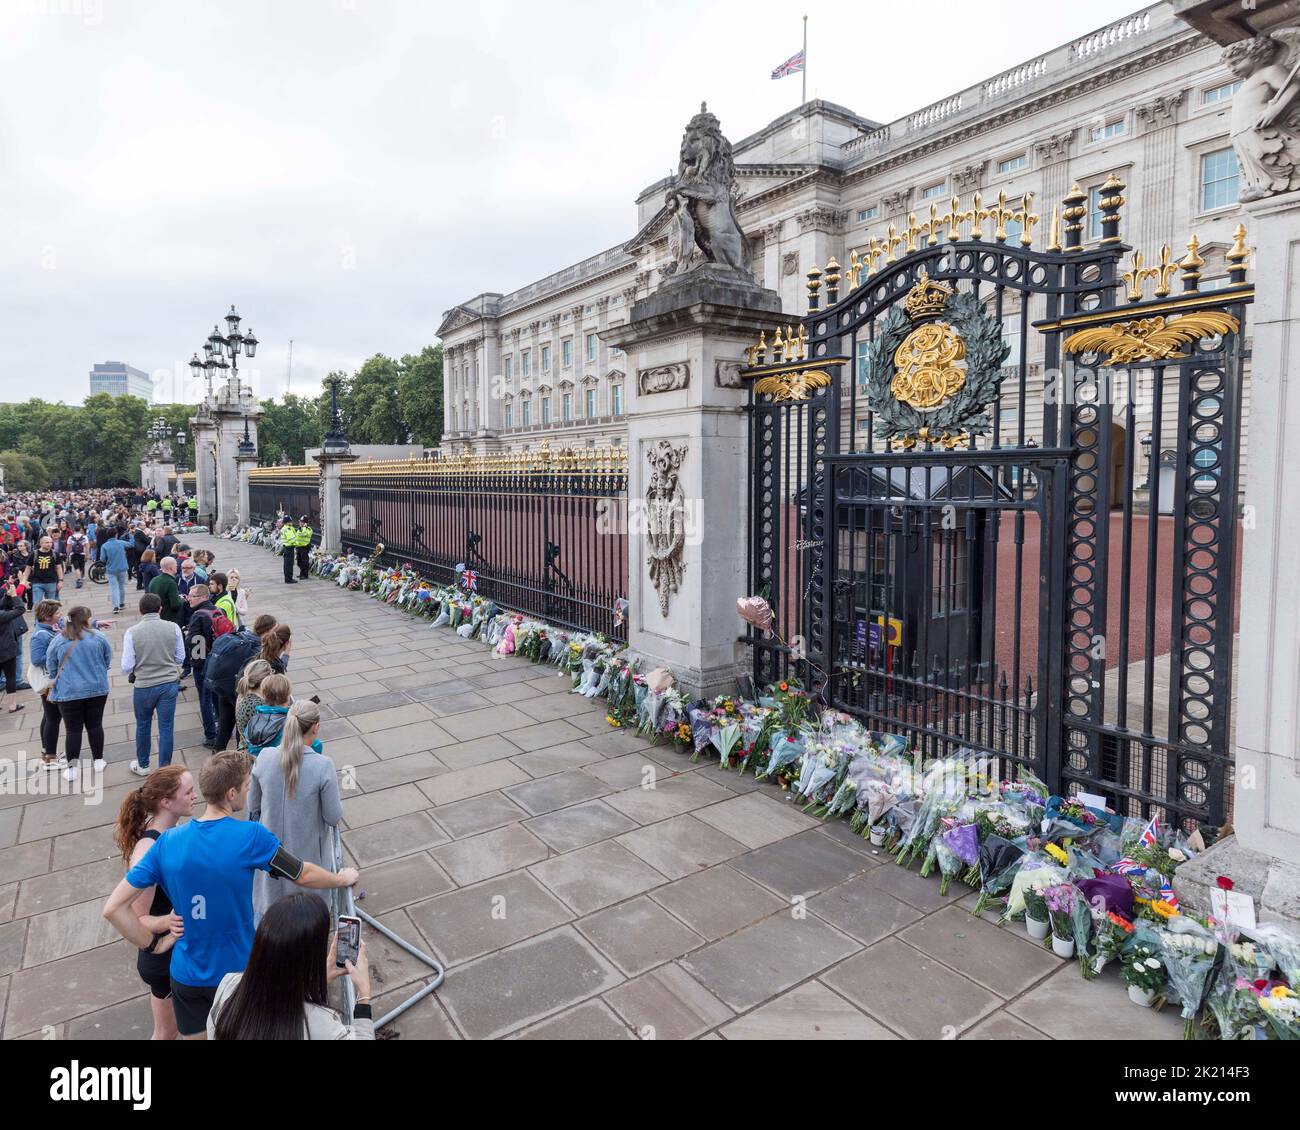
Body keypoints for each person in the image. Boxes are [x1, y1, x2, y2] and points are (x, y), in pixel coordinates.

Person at [100, 750, 360, 1041]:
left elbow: (113, 909)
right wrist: (340, 878)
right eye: (248, 787)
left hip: (187, 977)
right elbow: (302, 873)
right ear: (231, 792)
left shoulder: (166, 843)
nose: (249, 793)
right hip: (239, 976)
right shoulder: (250, 837)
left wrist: (154, 946)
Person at [208, 893, 373, 1040]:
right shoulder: (322, 1025)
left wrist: (317, 979)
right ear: (313, 955)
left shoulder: (227, 986)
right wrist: (363, 994)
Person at [113, 765, 193, 1040]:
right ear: (166, 802)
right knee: (166, 1034)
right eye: (188, 791)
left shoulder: (169, 830)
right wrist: (169, 924)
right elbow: (135, 916)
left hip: (176, 955)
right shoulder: (148, 850)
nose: (195, 796)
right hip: (163, 960)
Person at [249, 700, 340, 921]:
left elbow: (253, 807)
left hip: (270, 866)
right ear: (315, 727)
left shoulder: (265, 758)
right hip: (307, 869)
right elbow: (333, 816)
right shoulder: (322, 765)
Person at [45, 606, 113, 780]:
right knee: (95, 726)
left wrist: (54, 676)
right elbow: (107, 658)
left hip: (69, 692)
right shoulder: (98, 637)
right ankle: (98, 761)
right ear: (85, 620)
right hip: (97, 689)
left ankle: (72, 769)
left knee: (73, 730)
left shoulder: (59, 640)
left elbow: (51, 664)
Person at [123, 593, 184, 775]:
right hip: (168, 684)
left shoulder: (132, 632)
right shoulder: (173, 628)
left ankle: (142, 765)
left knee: (143, 724)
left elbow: (126, 666)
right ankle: (164, 768)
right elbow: (180, 657)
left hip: (144, 686)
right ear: (160, 609)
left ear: (141, 610)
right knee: (166, 726)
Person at [204, 614, 277, 752]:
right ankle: (240, 760)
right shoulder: (257, 649)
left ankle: (215, 762)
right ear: (268, 630)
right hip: (240, 692)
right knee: (241, 731)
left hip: (224, 689)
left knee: (224, 730)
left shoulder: (243, 635)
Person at [28, 599, 65, 768]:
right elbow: (36, 659)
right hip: (49, 683)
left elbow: (72, 623)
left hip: (53, 681)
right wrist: (57, 655)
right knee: (53, 717)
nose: (61, 615)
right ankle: (49, 758)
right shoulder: (40, 635)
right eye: (57, 613)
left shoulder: (52, 627)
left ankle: (46, 752)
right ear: (48, 617)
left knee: (49, 716)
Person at [0, 582, 27, 715]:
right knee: (10, 677)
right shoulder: (2, 616)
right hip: (6, 650)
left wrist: (6, 595)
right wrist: (15, 595)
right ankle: (12, 705)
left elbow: (1, 605)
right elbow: (20, 609)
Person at [234, 660, 273, 750]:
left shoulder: (245, 693)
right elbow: (266, 734)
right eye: (272, 673)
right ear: (266, 679)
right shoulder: (256, 705)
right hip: (253, 753)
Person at [22, 534, 63, 607]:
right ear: (41, 543)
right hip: (37, 582)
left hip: (51, 582)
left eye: (50, 542)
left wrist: (60, 581)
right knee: (37, 604)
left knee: (51, 605)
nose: (49, 544)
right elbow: (28, 568)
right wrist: (24, 581)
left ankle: (50, 618)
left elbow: (59, 568)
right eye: (47, 542)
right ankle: (38, 618)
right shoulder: (34, 554)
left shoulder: (54, 554)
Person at [98, 528, 131, 614]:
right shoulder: (121, 543)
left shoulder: (104, 546)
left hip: (111, 569)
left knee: (113, 588)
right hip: (122, 567)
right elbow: (131, 544)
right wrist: (130, 535)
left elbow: (102, 559)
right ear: (116, 534)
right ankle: (122, 603)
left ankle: (115, 606)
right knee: (121, 586)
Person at [147, 556, 184, 627]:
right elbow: (175, 605)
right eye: (175, 565)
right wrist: (182, 600)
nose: (177, 566)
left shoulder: (154, 580)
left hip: (155, 617)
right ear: (171, 568)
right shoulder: (170, 582)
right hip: (168, 619)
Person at [67, 525, 89, 589]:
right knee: (81, 567)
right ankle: (81, 577)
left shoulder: (70, 537)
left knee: (76, 567)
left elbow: (68, 547)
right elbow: (87, 547)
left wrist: (68, 555)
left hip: (73, 554)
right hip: (82, 554)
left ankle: (79, 579)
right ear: (80, 529)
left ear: (74, 530)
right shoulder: (84, 537)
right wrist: (87, 555)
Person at [294, 515, 313, 580]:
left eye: (301, 522)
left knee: (304, 561)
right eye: (300, 521)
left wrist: (304, 527)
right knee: (299, 562)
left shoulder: (308, 529)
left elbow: (304, 534)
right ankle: (302, 573)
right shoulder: (300, 528)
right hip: (298, 547)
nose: (300, 523)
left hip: (304, 547)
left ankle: (305, 575)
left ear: (305, 523)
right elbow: (297, 536)